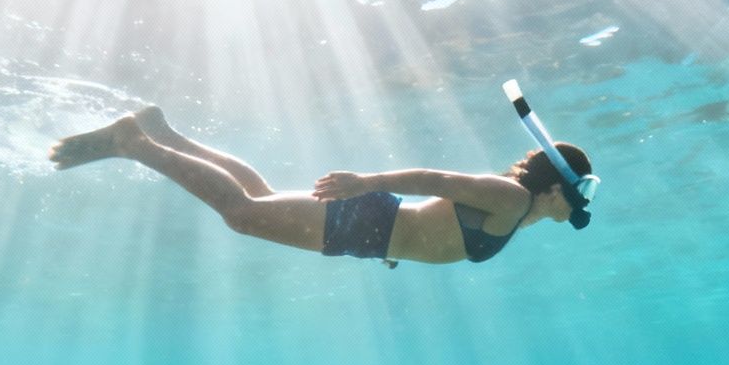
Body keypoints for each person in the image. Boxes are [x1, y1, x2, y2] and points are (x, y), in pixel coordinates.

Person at [48, 106, 593, 267]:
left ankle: (161, 132)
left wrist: (406, 244)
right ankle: (134, 143)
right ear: (555, 188)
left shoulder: (517, 206)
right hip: (371, 222)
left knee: (256, 192)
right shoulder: (514, 197)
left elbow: (439, 214)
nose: (578, 208)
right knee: (240, 213)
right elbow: (437, 179)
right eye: (579, 194)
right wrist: (367, 181)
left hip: (374, 230)